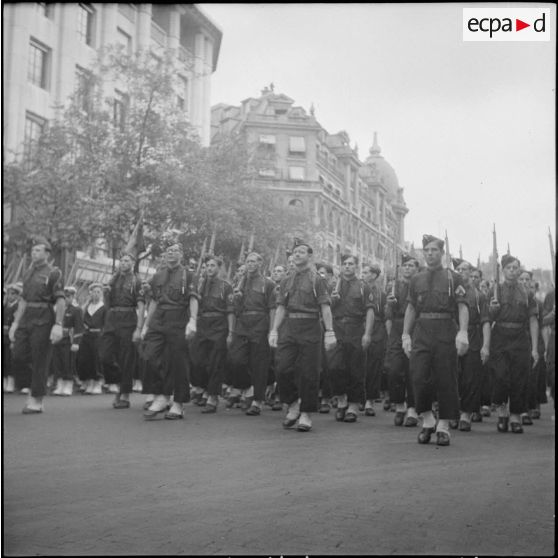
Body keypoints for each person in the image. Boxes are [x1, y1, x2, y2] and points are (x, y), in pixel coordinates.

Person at [402, 234, 469, 446]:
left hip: (445, 331)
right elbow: (411, 307)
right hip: (422, 331)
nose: (430, 254)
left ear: (442, 253)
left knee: (446, 379)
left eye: (434, 250)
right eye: (427, 251)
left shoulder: (453, 278)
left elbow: (462, 306)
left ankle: (443, 427)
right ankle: (428, 420)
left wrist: (463, 332)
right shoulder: (416, 279)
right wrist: (405, 334)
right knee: (418, 376)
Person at [269, 239, 336, 432]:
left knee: (309, 372)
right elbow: (281, 306)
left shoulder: (318, 279)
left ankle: (306, 413)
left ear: (309, 256)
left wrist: (330, 332)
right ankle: (292, 403)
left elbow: (325, 307)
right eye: (294, 252)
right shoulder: (286, 279)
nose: (296, 254)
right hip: (289, 327)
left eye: (301, 251)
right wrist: (274, 330)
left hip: (310, 327)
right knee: (282, 368)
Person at [142, 242, 199, 420]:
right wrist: (145, 324)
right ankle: (161, 396)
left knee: (178, 363)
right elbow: (153, 301)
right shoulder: (158, 275)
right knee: (150, 356)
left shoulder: (189, 275)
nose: (171, 253)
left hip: (178, 318)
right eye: (168, 251)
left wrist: (193, 320)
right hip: (159, 319)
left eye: (175, 251)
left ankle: (178, 403)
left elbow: (193, 298)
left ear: (181, 254)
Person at [9, 240, 65, 414]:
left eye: (38, 250)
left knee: (40, 359)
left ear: (47, 254)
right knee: (18, 355)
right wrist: (15, 323)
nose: (34, 253)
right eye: (32, 250)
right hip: (27, 318)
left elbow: (61, 300)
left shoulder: (54, 273)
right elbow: (23, 300)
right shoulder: (28, 272)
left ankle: (37, 399)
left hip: (44, 317)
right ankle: (30, 386)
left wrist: (58, 324)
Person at [488, 254, 539, 434]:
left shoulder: (527, 293)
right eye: (508, 268)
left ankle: (515, 416)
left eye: (515, 268)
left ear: (519, 270)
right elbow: (487, 319)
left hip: (520, 337)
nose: (512, 271)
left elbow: (533, 320)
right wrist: (492, 309)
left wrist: (534, 348)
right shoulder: (495, 290)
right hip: (500, 336)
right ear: (503, 271)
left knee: (519, 379)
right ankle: (502, 413)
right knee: (500, 376)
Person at [229, 252, 276, 416]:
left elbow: (272, 309)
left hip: (260, 325)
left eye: (253, 261)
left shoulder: (268, 284)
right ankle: (247, 388)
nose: (250, 264)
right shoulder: (240, 282)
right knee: (236, 359)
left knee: (259, 365)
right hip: (243, 324)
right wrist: (236, 298)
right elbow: (234, 308)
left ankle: (257, 400)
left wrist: (272, 331)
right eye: (248, 261)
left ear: (260, 264)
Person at [328, 254, 373, 423]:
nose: (347, 266)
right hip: (337, 327)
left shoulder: (363, 286)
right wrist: (332, 300)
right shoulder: (333, 285)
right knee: (334, 366)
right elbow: (324, 308)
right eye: (344, 264)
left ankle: (353, 405)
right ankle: (341, 400)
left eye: (351, 264)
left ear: (356, 267)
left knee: (356, 368)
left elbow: (370, 311)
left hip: (355, 328)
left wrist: (367, 334)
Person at [99, 253, 145, 409]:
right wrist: (106, 293)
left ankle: (124, 393)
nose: (123, 263)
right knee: (105, 355)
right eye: (122, 260)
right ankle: (118, 382)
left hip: (128, 319)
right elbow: (107, 305)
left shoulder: (136, 281)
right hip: (112, 319)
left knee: (126, 359)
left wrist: (139, 328)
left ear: (133, 262)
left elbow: (140, 305)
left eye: (127, 260)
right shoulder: (113, 279)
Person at [192, 255, 234, 414]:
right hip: (203, 325)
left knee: (216, 363)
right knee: (197, 360)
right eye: (207, 266)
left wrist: (230, 332)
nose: (209, 268)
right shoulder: (201, 284)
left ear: (219, 268)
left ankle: (212, 397)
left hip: (219, 325)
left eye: (212, 266)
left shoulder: (226, 286)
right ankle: (202, 387)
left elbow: (230, 311)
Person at [452, 258, 491, 432]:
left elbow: (485, 322)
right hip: (452, 336)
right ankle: (451, 412)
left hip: (473, 337)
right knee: (452, 377)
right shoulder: (450, 291)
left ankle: (465, 414)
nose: (461, 272)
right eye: (458, 269)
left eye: (465, 269)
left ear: (470, 272)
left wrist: (485, 346)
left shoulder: (478, 295)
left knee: (470, 377)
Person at [385, 254, 420, 427]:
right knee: (394, 370)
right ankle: (400, 405)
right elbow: (388, 316)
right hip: (397, 328)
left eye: (411, 265)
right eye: (405, 265)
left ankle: (413, 408)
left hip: (416, 328)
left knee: (413, 371)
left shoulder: (420, 286)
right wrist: (389, 305)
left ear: (417, 269)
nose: (407, 268)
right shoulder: (393, 286)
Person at [361, 263, 387, 417]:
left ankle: (369, 401)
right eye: (363, 272)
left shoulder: (382, 295)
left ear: (374, 275)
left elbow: (385, 316)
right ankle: (357, 398)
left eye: (366, 272)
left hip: (377, 331)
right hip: (359, 327)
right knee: (358, 366)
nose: (363, 275)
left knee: (373, 367)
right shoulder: (358, 290)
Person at [51, 286, 84, 396]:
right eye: (65, 297)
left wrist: (76, 342)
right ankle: (60, 384)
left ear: (73, 297)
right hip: (58, 339)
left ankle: (68, 385)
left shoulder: (76, 310)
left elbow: (79, 327)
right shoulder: (57, 309)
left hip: (68, 340)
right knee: (58, 363)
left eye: (69, 297)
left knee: (67, 363)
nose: (66, 299)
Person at [77, 282, 106, 395]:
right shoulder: (86, 307)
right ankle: (88, 381)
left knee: (96, 359)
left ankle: (97, 382)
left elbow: (106, 323)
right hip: (86, 336)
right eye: (94, 292)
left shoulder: (104, 308)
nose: (96, 294)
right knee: (85, 359)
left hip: (98, 337)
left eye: (98, 292)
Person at [316, 262, 335, 414]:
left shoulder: (336, 288)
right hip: (314, 327)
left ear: (329, 275)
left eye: (323, 273)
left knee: (327, 364)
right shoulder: (315, 286)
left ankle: (326, 398)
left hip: (331, 329)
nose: (320, 275)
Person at [2, 282, 23, 393]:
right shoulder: (5, 306)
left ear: (18, 295)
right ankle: (4, 380)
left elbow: (17, 323)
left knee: (10, 360)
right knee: (3, 359)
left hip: (12, 336)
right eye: (9, 294)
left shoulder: (18, 307)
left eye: (13, 294)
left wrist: (14, 339)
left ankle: (11, 382)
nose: (11, 296)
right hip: (3, 335)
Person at [541, 288, 555, 416]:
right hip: (554, 338)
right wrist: (553, 314)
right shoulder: (551, 295)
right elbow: (543, 320)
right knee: (552, 374)